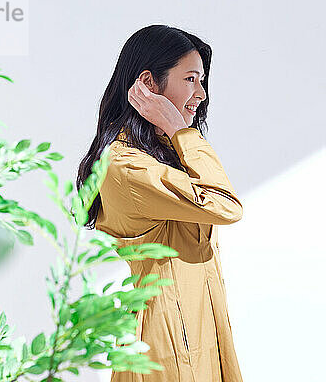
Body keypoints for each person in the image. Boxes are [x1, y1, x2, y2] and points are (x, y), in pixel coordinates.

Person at [76, 24, 244, 381]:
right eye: (190, 79)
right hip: (169, 341)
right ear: (149, 83)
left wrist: (178, 136)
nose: (200, 93)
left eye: (201, 81)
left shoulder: (164, 153)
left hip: (203, 331)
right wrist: (181, 131)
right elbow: (225, 205)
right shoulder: (126, 166)